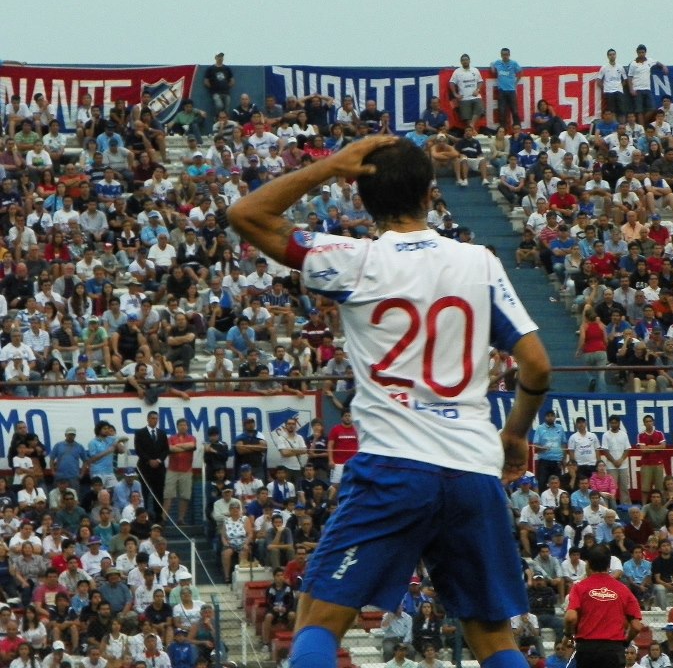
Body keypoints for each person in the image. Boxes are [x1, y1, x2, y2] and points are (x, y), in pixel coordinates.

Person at [227, 135, 551, 668]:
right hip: (473, 470)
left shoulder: (354, 260)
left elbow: (247, 214)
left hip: (394, 468)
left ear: (361, 197)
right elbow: (536, 364)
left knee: (318, 620)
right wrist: (514, 433)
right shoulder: (479, 262)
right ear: (429, 194)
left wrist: (329, 166)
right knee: (494, 639)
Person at [563, 545, 644, 668]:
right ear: (609, 565)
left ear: (588, 564)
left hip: (587, 649)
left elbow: (570, 617)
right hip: (613, 650)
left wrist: (568, 635)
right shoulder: (623, 589)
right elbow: (637, 626)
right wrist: (626, 642)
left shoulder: (579, 587)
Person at [134, 412, 169, 516]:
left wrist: (159, 460)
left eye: (156, 419)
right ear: (148, 419)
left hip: (159, 469)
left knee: (158, 494)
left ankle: (158, 517)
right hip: (145, 468)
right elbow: (138, 450)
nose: (155, 420)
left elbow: (166, 449)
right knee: (144, 493)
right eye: (153, 418)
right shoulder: (140, 433)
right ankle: (144, 516)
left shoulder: (162, 433)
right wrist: (149, 460)